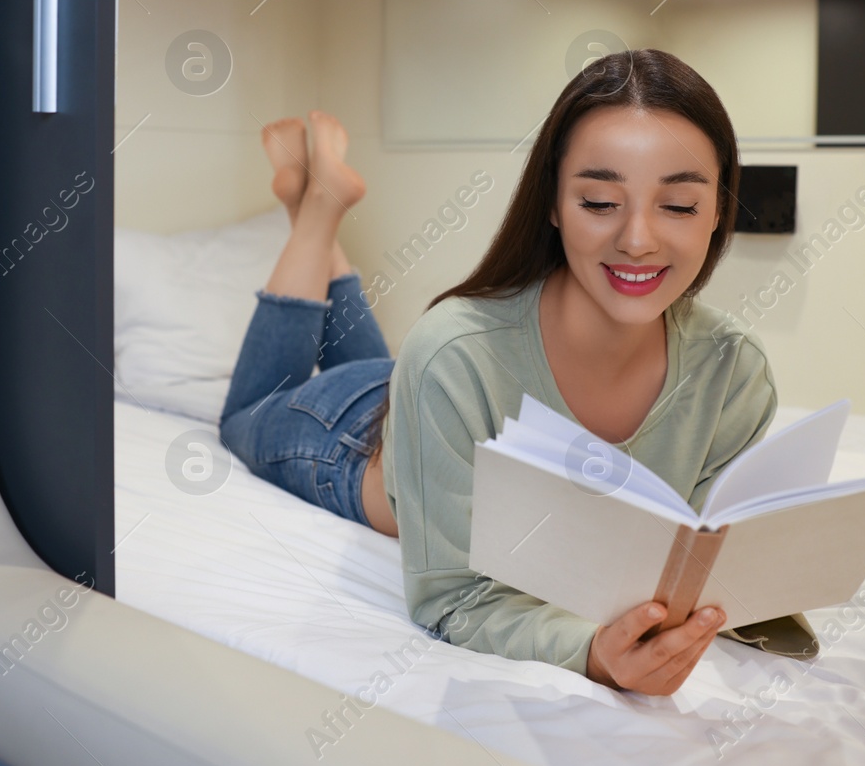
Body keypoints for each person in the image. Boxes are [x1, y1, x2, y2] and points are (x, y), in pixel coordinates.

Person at [218, 49, 780, 696]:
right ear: (552, 204)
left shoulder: (733, 369)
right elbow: (451, 598)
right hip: (352, 440)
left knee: (406, 364)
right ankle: (314, 210)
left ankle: (309, 203)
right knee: (246, 414)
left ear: (718, 211)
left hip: (427, 388)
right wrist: (590, 653)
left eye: (678, 206)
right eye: (600, 200)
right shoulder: (453, 353)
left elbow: (709, 563)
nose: (638, 239)